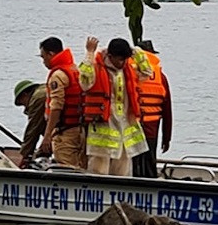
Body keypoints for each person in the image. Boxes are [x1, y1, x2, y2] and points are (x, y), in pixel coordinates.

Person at [79, 36, 152, 176]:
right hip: (104, 126)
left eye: (125, 59)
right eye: (119, 59)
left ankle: (121, 196)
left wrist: (134, 51)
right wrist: (89, 53)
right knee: (98, 169)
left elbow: (147, 72)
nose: (123, 63)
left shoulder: (128, 69)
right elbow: (84, 81)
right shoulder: (96, 66)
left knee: (123, 169)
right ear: (110, 56)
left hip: (125, 126)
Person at [38, 37, 85, 168]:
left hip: (65, 133)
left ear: (51, 54)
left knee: (66, 168)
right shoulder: (75, 70)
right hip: (81, 130)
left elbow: (56, 107)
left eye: (43, 57)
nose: (44, 62)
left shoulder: (58, 75)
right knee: (82, 168)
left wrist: (47, 135)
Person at [132, 40, 172, 178]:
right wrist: (167, 138)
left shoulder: (130, 72)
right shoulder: (161, 77)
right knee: (149, 164)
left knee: (133, 164)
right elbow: (167, 111)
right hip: (151, 129)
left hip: (131, 128)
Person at [13, 79, 47, 168]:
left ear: (25, 95)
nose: (25, 109)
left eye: (23, 104)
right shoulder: (45, 90)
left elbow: (33, 130)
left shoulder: (38, 98)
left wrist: (24, 157)